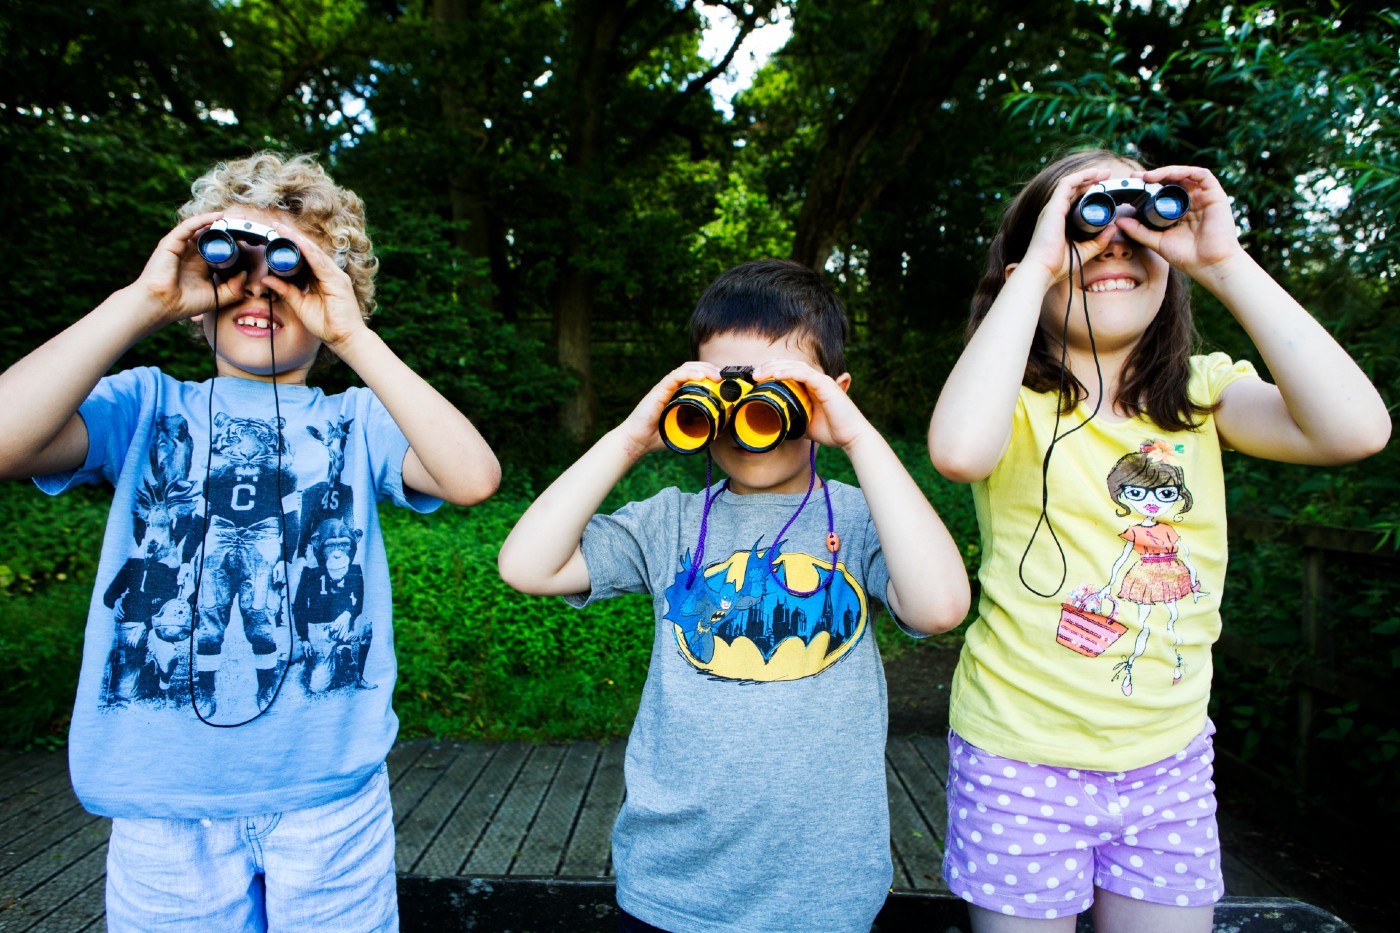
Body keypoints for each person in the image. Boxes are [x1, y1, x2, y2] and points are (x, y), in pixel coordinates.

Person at [0, 151, 501, 931]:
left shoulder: (354, 421)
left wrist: (352, 334)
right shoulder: (144, 406)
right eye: (239, 265)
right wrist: (144, 301)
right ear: (199, 300)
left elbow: (471, 477)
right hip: (164, 800)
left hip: (327, 796)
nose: (260, 288)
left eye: (292, 273)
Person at [926, 148, 1389, 932]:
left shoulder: (1203, 395)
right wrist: (1036, 266)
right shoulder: (1015, 401)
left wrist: (1225, 260)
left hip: (1167, 763)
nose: (1115, 246)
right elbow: (958, 451)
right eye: (1087, 228)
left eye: (1140, 231)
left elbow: (1358, 428)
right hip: (1019, 756)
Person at [498, 259, 971, 933]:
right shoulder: (668, 522)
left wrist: (859, 435)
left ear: (832, 394)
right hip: (671, 882)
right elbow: (526, 564)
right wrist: (632, 437)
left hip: (822, 888)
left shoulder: (864, 518)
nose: (751, 414)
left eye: (781, 390)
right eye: (729, 388)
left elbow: (941, 605)